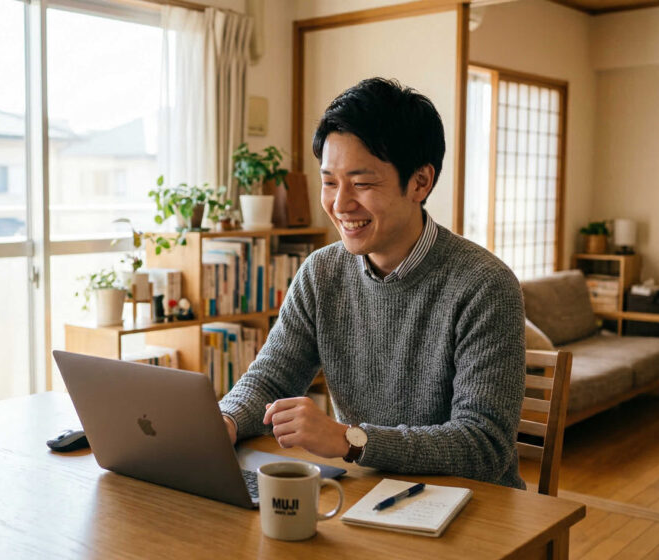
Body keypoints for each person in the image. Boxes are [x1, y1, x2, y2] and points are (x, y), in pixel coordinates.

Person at [218, 78, 526, 489]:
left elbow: (483, 446)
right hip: (368, 492)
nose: (340, 205)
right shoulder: (321, 272)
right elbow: (271, 381)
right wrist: (225, 421)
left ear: (420, 182)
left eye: (361, 183)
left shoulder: (484, 285)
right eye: (330, 182)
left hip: (471, 509)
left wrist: (350, 441)